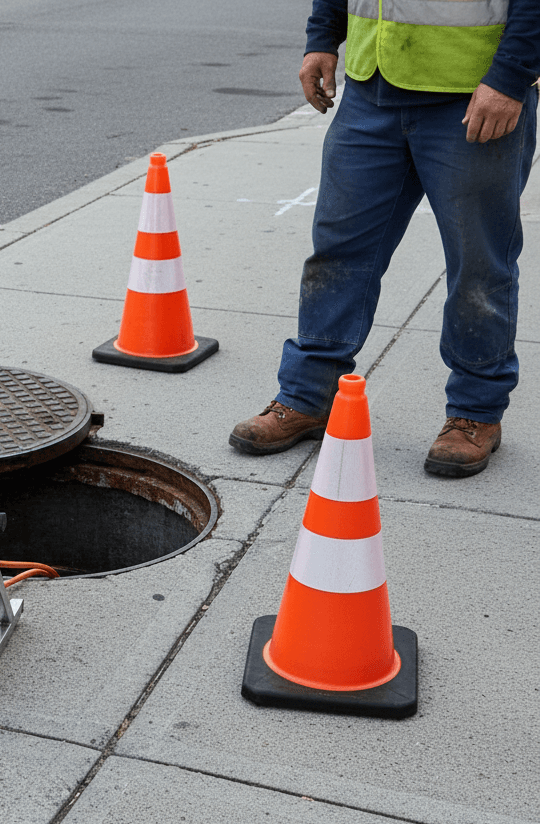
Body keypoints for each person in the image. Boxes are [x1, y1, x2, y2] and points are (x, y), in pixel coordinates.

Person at [229, 0, 540, 477]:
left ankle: (476, 411)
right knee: (337, 253)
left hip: (473, 93)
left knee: (480, 264)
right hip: (370, 91)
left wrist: (511, 77)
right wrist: (322, 38)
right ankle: (307, 396)